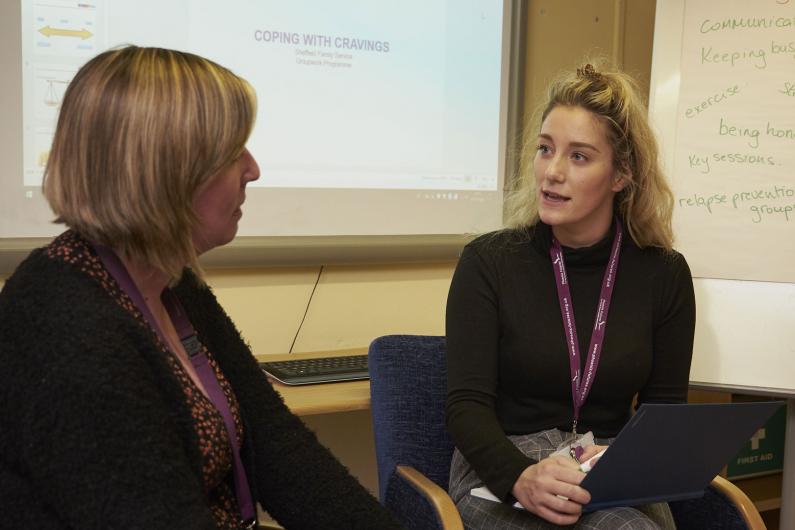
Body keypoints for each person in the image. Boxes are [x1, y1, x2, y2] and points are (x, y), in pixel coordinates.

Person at [0, 46, 402, 530]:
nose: (253, 169)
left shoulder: (170, 281)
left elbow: (279, 450)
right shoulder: (61, 325)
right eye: (234, 153)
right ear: (167, 169)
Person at [445, 63, 696, 529]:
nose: (552, 172)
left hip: (609, 465)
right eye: (545, 149)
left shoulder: (664, 274)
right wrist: (521, 476)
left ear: (621, 174)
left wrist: (619, 463)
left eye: (578, 156)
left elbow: (664, 416)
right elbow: (466, 408)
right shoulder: (489, 261)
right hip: (503, 467)